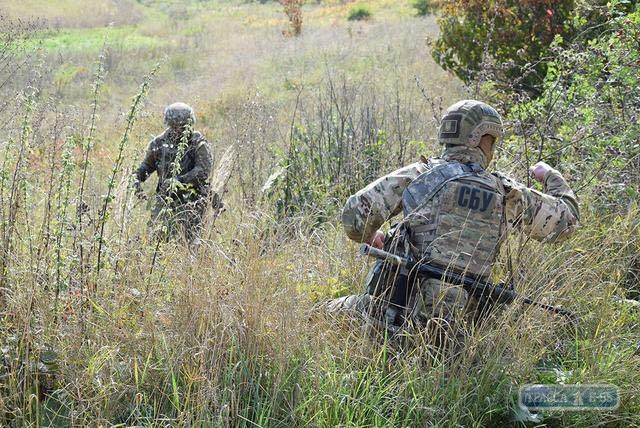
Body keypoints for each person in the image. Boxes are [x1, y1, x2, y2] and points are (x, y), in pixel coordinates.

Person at [326, 99, 580, 357]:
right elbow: (566, 224)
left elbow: (354, 217)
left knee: (321, 315)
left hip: (396, 318)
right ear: (481, 138)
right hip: (461, 336)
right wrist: (550, 175)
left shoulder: (420, 175)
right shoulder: (507, 194)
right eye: (492, 141)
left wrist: (371, 235)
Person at [132, 102, 213, 244]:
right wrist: (136, 178)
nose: (178, 130)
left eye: (181, 127)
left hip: (192, 199)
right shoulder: (158, 143)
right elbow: (147, 166)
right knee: (156, 237)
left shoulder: (197, 143)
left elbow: (203, 171)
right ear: (169, 124)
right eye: (174, 126)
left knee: (189, 241)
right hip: (165, 198)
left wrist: (179, 181)